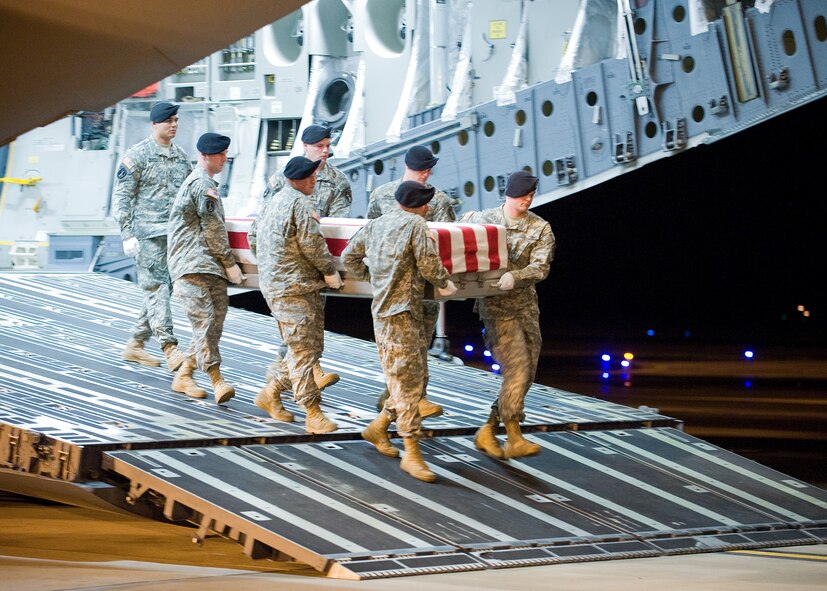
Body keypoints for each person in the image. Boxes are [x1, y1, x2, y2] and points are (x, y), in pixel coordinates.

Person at [342, 181, 458, 483]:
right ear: (418, 204)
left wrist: (374, 279)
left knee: (410, 376)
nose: (429, 207)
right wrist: (445, 283)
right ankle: (411, 450)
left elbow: (348, 257)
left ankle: (378, 427)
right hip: (401, 313)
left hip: (388, 311)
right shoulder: (416, 225)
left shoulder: (375, 224)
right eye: (426, 202)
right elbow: (430, 265)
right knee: (407, 381)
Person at [459, 170, 555, 460]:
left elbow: (541, 267)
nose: (527, 199)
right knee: (517, 371)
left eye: (531, 195)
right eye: (522, 194)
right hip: (496, 309)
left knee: (526, 375)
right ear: (508, 194)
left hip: (526, 307)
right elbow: (457, 230)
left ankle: (488, 429)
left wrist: (517, 276)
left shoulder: (540, 228)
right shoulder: (485, 219)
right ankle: (514, 436)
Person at [250, 156, 343, 434]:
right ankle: (312, 412)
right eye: (310, 177)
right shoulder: (300, 204)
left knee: (303, 348)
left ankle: (271, 393)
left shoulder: (272, 202)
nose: (314, 181)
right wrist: (329, 271)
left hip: (277, 286)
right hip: (296, 287)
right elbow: (312, 243)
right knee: (304, 350)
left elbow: (253, 237)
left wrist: (272, 265)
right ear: (296, 180)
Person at [253, 124, 350, 390]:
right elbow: (264, 225)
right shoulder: (280, 181)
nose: (325, 151)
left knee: (310, 327)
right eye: (320, 146)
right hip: (294, 269)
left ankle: (298, 373)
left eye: (328, 145)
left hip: (313, 269)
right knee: (300, 330)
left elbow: (338, 225)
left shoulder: (338, 181)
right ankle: (289, 379)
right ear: (306, 146)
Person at [367, 144, 457, 417]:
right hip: (394, 285)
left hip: (423, 286)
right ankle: (399, 401)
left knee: (419, 345)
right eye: (422, 169)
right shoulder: (383, 195)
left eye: (428, 169)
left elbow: (447, 240)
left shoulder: (437, 200)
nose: (425, 174)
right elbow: (371, 232)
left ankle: (410, 399)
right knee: (397, 348)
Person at [167, 132, 244, 404]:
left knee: (212, 327)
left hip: (208, 266)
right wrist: (230, 264)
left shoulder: (207, 184)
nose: (224, 158)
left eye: (225, 153)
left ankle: (185, 374)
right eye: (220, 154)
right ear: (205, 156)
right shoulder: (202, 185)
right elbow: (213, 230)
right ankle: (216, 379)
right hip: (192, 266)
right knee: (205, 322)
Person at [115, 101, 191, 373]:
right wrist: (127, 233)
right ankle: (170, 348)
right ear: (154, 124)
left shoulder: (181, 156)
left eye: (176, 120)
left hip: (174, 236)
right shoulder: (138, 155)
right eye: (168, 120)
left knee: (162, 292)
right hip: (147, 235)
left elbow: (187, 195)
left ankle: (135, 344)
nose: (174, 125)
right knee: (157, 289)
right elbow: (122, 196)